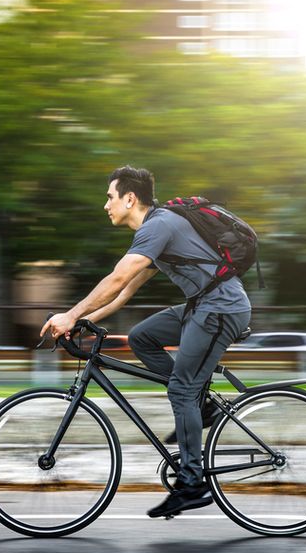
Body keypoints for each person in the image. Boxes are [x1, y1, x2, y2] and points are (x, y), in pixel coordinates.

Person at [41, 166, 251, 519]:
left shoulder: (159, 225)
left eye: (109, 197)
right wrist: (87, 320)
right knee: (142, 337)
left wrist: (71, 314)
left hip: (221, 310)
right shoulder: (156, 229)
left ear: (130, 198)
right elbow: (125, 290)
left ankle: (192, 482)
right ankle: (201, 407)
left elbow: (118, 276)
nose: (105, 205)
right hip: (204, 306)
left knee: (181, 390)